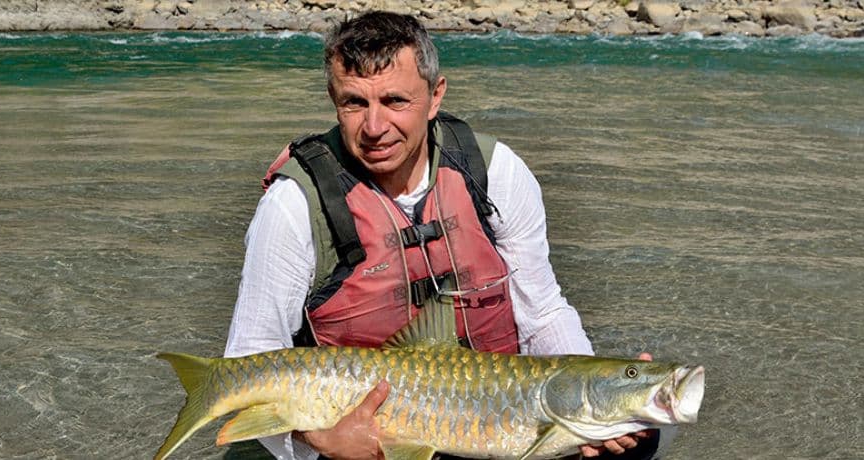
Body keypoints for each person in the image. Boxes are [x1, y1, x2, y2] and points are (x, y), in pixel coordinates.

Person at [224, 11, 656, 460]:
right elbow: (249, 359)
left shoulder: (495, 170)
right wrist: (318, 440)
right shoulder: (293, 205)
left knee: (632, 443)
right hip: (364, 437)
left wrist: (594, 391)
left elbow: (541, 310)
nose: (374, 128)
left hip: (493, 417)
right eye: (354, 103)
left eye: (395, 101)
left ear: (435, 96)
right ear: (334, 99)